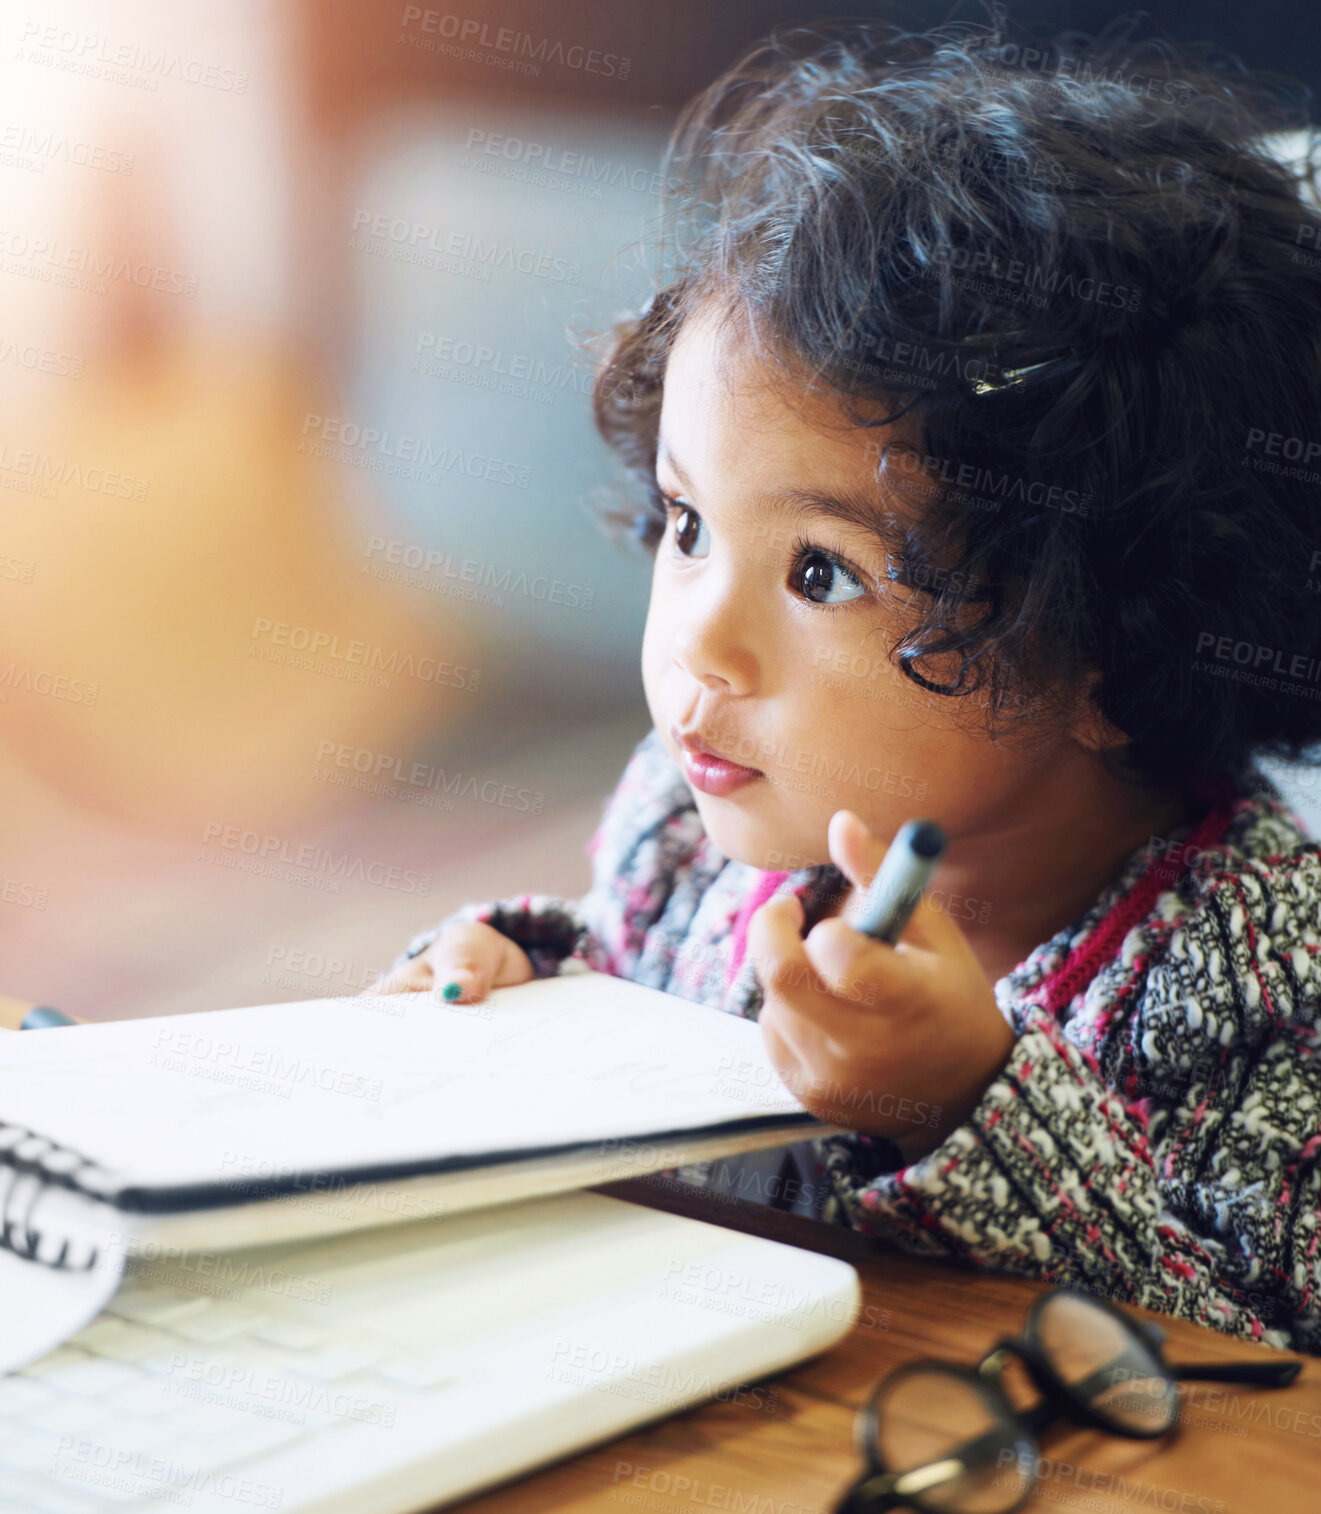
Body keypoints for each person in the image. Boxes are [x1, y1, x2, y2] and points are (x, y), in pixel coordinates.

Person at [373, 18, 1321, 1354]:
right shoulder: (692, 812)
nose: (699, 645)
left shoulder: (1253, 971)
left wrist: (956, 1103)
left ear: (1111, 652)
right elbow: (626, 967)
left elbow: (1257, 1386)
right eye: (688, 522)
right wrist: (518, 976)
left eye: (820, 573)